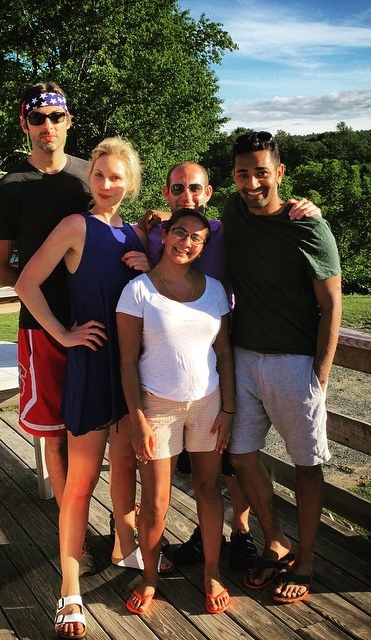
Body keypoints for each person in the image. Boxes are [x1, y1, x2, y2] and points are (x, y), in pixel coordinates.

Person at [14, 137, 161, 639]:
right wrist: (63, 334)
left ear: (130, 182)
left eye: (116, 177)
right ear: (89, 178)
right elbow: (26, 282)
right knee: (80, 484)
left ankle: (125, 546)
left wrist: (152, 269)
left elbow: (171, 282)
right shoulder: (76, 226)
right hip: (92, 365)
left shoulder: (138, 235)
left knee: (125, 465)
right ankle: (70, 589)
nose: (105, 184)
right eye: (98, 175)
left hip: (132, 369)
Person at [146, 161, 321, 571]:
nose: (186, 196)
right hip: (176, 365)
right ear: (166, 193)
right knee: (197, 458)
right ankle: (206, 531)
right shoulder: (155, 233)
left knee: (230, 450)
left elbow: (268, 211)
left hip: (225, 350)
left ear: (208, 193)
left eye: (194, 188)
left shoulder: (226, 229)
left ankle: (240, 529)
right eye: (177, 189)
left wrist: (308, 210)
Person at [222, 131, 342, 604]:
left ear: (280, 173)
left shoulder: (309, 227)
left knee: (307, 465)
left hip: (295, 363)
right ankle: (276, 539)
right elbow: (193, 228)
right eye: (242, 174)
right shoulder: (232, 212)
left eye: (261, 172)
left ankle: (306, 559)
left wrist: (321, 373)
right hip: (243, 357)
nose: (252, 183)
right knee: (241, 456)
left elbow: (331, 304)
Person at [0, 80, 97, 574]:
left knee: (101, 429)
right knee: (55, 435)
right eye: (37, 118)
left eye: (55, 116)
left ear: (68, 120)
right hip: (41, 328)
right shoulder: (10, 188)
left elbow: (116, 231)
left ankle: (118, 531)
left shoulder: (90, 176)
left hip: (96, 323)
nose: (47, 125)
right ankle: (75, 539)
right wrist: (40, 290)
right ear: (24, 124)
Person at [117, 208, 234, 615]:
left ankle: (212, 574)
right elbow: (127, 361)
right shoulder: (138, 291)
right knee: (155, 501)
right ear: (165, 234)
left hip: (208, 403)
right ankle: (149, 577)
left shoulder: (215, 290)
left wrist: (229, 409)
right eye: (179, 233)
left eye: (196, 238)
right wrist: (138, 419)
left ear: (204, 246)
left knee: (209, 489)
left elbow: (224, 353)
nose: (186, 242)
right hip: (157, 407)